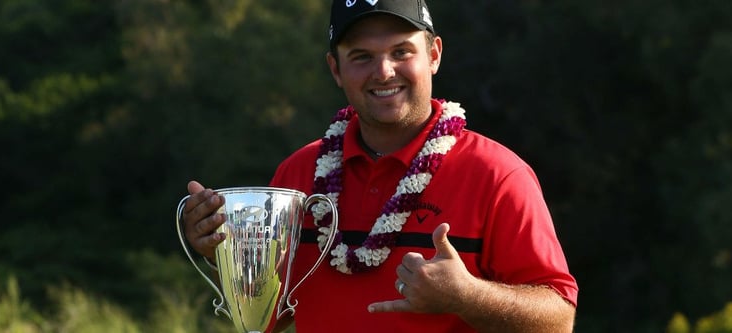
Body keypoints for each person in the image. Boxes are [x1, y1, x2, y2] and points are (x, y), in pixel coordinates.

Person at [181, 0, 578, 332]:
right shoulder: (298, 174)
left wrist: (467, 296)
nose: (384, 72)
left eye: (402, 52)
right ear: (336, 70)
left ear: (434, 55)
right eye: (361, 57)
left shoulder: (498, 175)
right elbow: (269, 319)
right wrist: (224, 254)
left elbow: (559, 318)